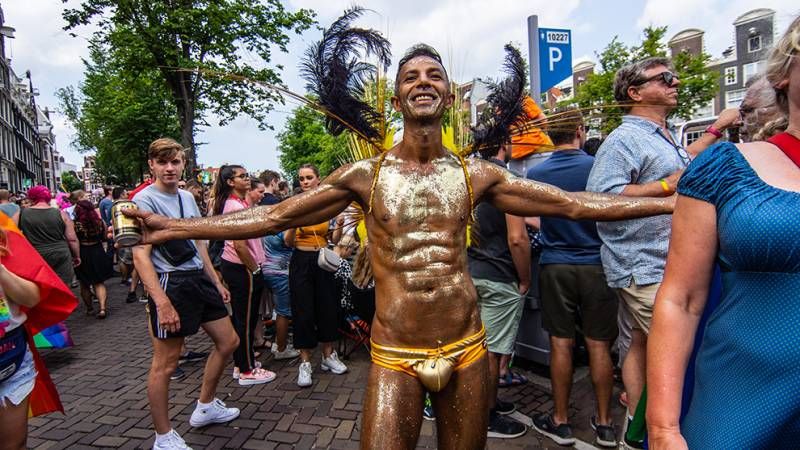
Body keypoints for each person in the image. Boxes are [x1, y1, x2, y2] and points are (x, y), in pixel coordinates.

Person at [123, 45, 674, 450]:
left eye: (435, 75)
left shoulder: (476, 174)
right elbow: (275, 215)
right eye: (411, 76)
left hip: (466, 347)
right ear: (397, 98)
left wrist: (670, 201)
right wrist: (171, 228)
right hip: (394, 352)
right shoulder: (367, 175)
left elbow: (575, 204)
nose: (423, 82)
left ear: (449, 94)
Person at [647, 16, 800, 449]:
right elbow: (681, 298)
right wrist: (663, 428)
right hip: (743, 401)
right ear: (783, 74)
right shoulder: (726, 166)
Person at [585, 57, 688, 448]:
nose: (676, 83)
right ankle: (660, 432)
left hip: (663, 263)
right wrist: (664, 189)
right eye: (665, 78)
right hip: (643, 266)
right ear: (635, 92)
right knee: (677, 354)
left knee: (638, 345)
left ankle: (635, 433)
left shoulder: (664, 136)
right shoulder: (623, 140)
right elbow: (600, 198)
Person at [132, 138, 240, 450]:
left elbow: (198, 243)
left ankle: (205, 406)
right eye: (162, 162)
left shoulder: (187, 198)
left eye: (175, 162)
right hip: (172, 282)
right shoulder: (142, 200)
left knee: (229, 341)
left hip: (197, 278)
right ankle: (163, 437)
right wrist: (161, 302)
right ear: (152, 165)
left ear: (183, 164)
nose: (169, 168)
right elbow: (140, 255)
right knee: (165, 364)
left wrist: (215, 280)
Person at [528, 108, 618, 448]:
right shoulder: (598, 167)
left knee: (560, 343)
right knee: (599, 344)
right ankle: (605, 424)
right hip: (596, 263)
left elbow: (534, 217)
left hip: (555, 265)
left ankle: (561, 419)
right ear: (580, 131)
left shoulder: (537, 173)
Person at [466, 142, 530, 439]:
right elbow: (517, 238)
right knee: (492, 352)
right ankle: (486, 415)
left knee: (473, 347)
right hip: (499, 275)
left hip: (471, 273)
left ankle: (478, 403)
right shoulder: (506, 180)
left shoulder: (468, 179)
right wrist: (525, 278)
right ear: (505, 145)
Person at [0, 210, 77, 449]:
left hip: (10, 355)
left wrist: (1, 271)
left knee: (14, 444)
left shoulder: (4, 230)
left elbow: (32, 297)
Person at [286, 163, 347, 387]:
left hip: (322, 260)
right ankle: (305, 363)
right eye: (301, 178)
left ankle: (328, 356)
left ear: (318, 179)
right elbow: (288, 242)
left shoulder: (325, 205)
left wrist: (339, 225)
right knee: (303, 311)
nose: (305, 182)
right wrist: (294, 224)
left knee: (327, 308)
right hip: (301, 260)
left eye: (309, 177)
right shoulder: (295, 204)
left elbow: (334, 240)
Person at [213, 165, 275, 386]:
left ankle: (242, 363)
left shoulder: (241, 203)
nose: (247, 179)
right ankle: (247, 370)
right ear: (231, 182)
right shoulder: (234, 206)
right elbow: (239, 245)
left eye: (247, 175)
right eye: (242, 176)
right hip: (242, 268)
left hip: (243, 266)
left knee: (245, 318)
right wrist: (255, 269)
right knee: (245, 319)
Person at [18, 186, 80, 289]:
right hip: (60, 254)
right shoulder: (61, 214)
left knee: (40, 287)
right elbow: (72, 239)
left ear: (31, 197)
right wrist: (76, 255)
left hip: (36, 254)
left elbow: (12, 233)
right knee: (62, 287)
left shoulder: (22, 213)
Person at [73, 200, 114, 319]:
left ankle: (90, 308)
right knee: (99, 282)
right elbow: (104, 237)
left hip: (83, 252)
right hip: (97, 251)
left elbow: (73, 240)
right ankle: (102, 308)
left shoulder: (75, 224)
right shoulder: (99, 222)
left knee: (84, 283)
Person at [506, 95, 554, 176]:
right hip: (537, 145)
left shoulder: (498, 109)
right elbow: (543, 120)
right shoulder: (523, 99)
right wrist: (545, 132)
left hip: (514, 152)